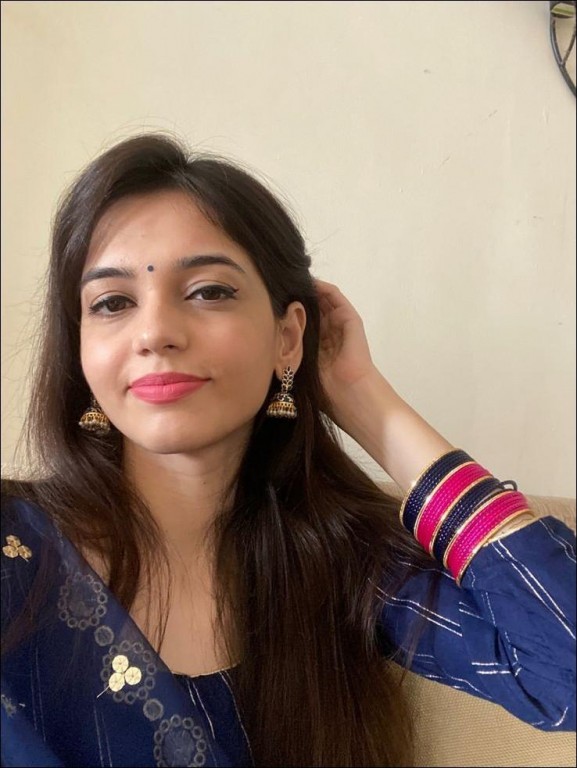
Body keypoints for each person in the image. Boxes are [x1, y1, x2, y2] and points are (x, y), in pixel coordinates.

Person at [1, 133, 574, 768]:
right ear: (81, 350)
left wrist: (363, 397)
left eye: (208, 291)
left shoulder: (340, 560)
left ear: (288, 338)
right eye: (112, 303)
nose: (155, 332)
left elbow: (565, 665)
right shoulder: (13, 549)